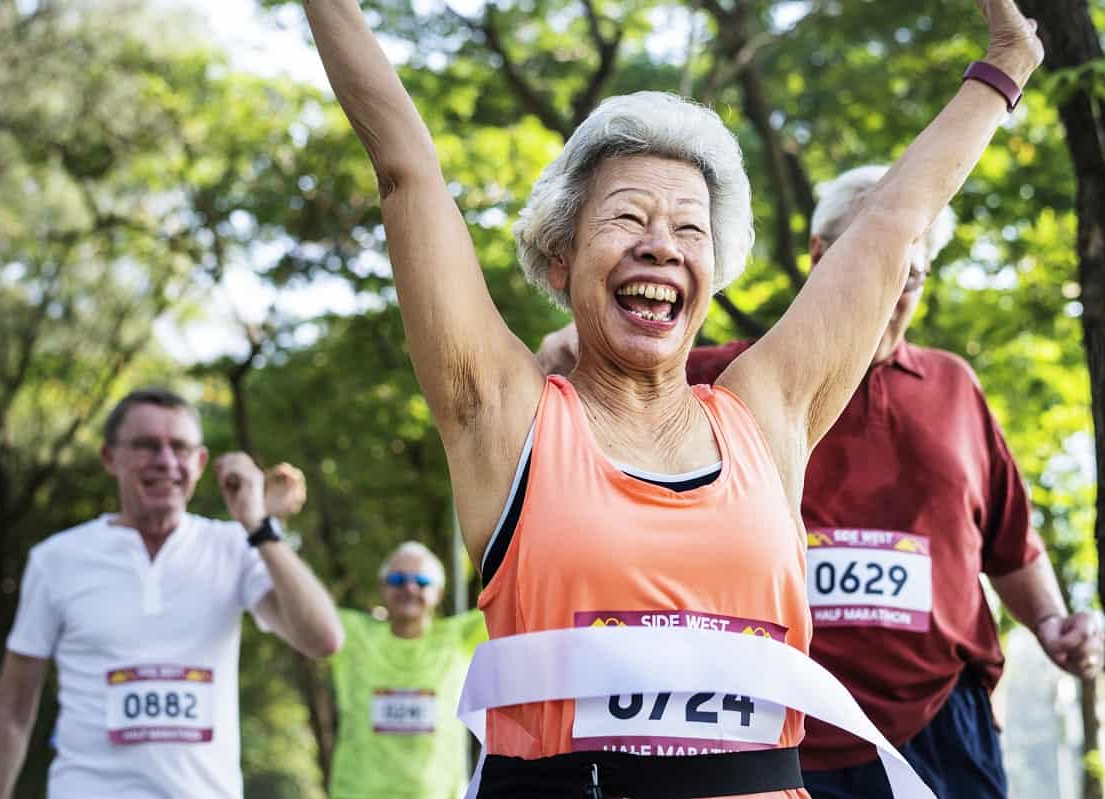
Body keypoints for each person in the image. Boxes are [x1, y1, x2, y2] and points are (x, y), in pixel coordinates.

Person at [301, 0, 1044, 795]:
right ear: (560, 258)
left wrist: (1004, 66)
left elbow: (893, 222)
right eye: (627, 217)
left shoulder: (766, 415)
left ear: (713, 272)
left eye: (691, 229)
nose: (662, 243)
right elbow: (406, 169)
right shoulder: (505, 418)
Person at [538, 164, 1105, 798]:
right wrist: (583, 337)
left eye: (906, 273)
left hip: (941, 724)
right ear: (820, 258)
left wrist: (1054, 622)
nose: (884, 289)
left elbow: (1011, 543)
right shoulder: (728, 379)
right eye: (864, 262)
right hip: (778, 722)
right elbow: (594, 374)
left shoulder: (954, 387)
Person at [0, 388, 344, 799]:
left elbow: (323, 639)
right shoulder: (56, 560)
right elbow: (13, 707)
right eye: (145, 445)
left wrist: (258, 524)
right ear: (109, 457)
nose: (165, 461)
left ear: (200, 462)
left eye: (180, 447)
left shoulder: (235, 547)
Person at [328, 540, 487, 799]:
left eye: (422, 582)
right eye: (398, 579)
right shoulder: (349, 633)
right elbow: (305, 607)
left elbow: (514, 596)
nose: (409, 587)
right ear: (382, 587)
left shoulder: (460, 637)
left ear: (438, 591)